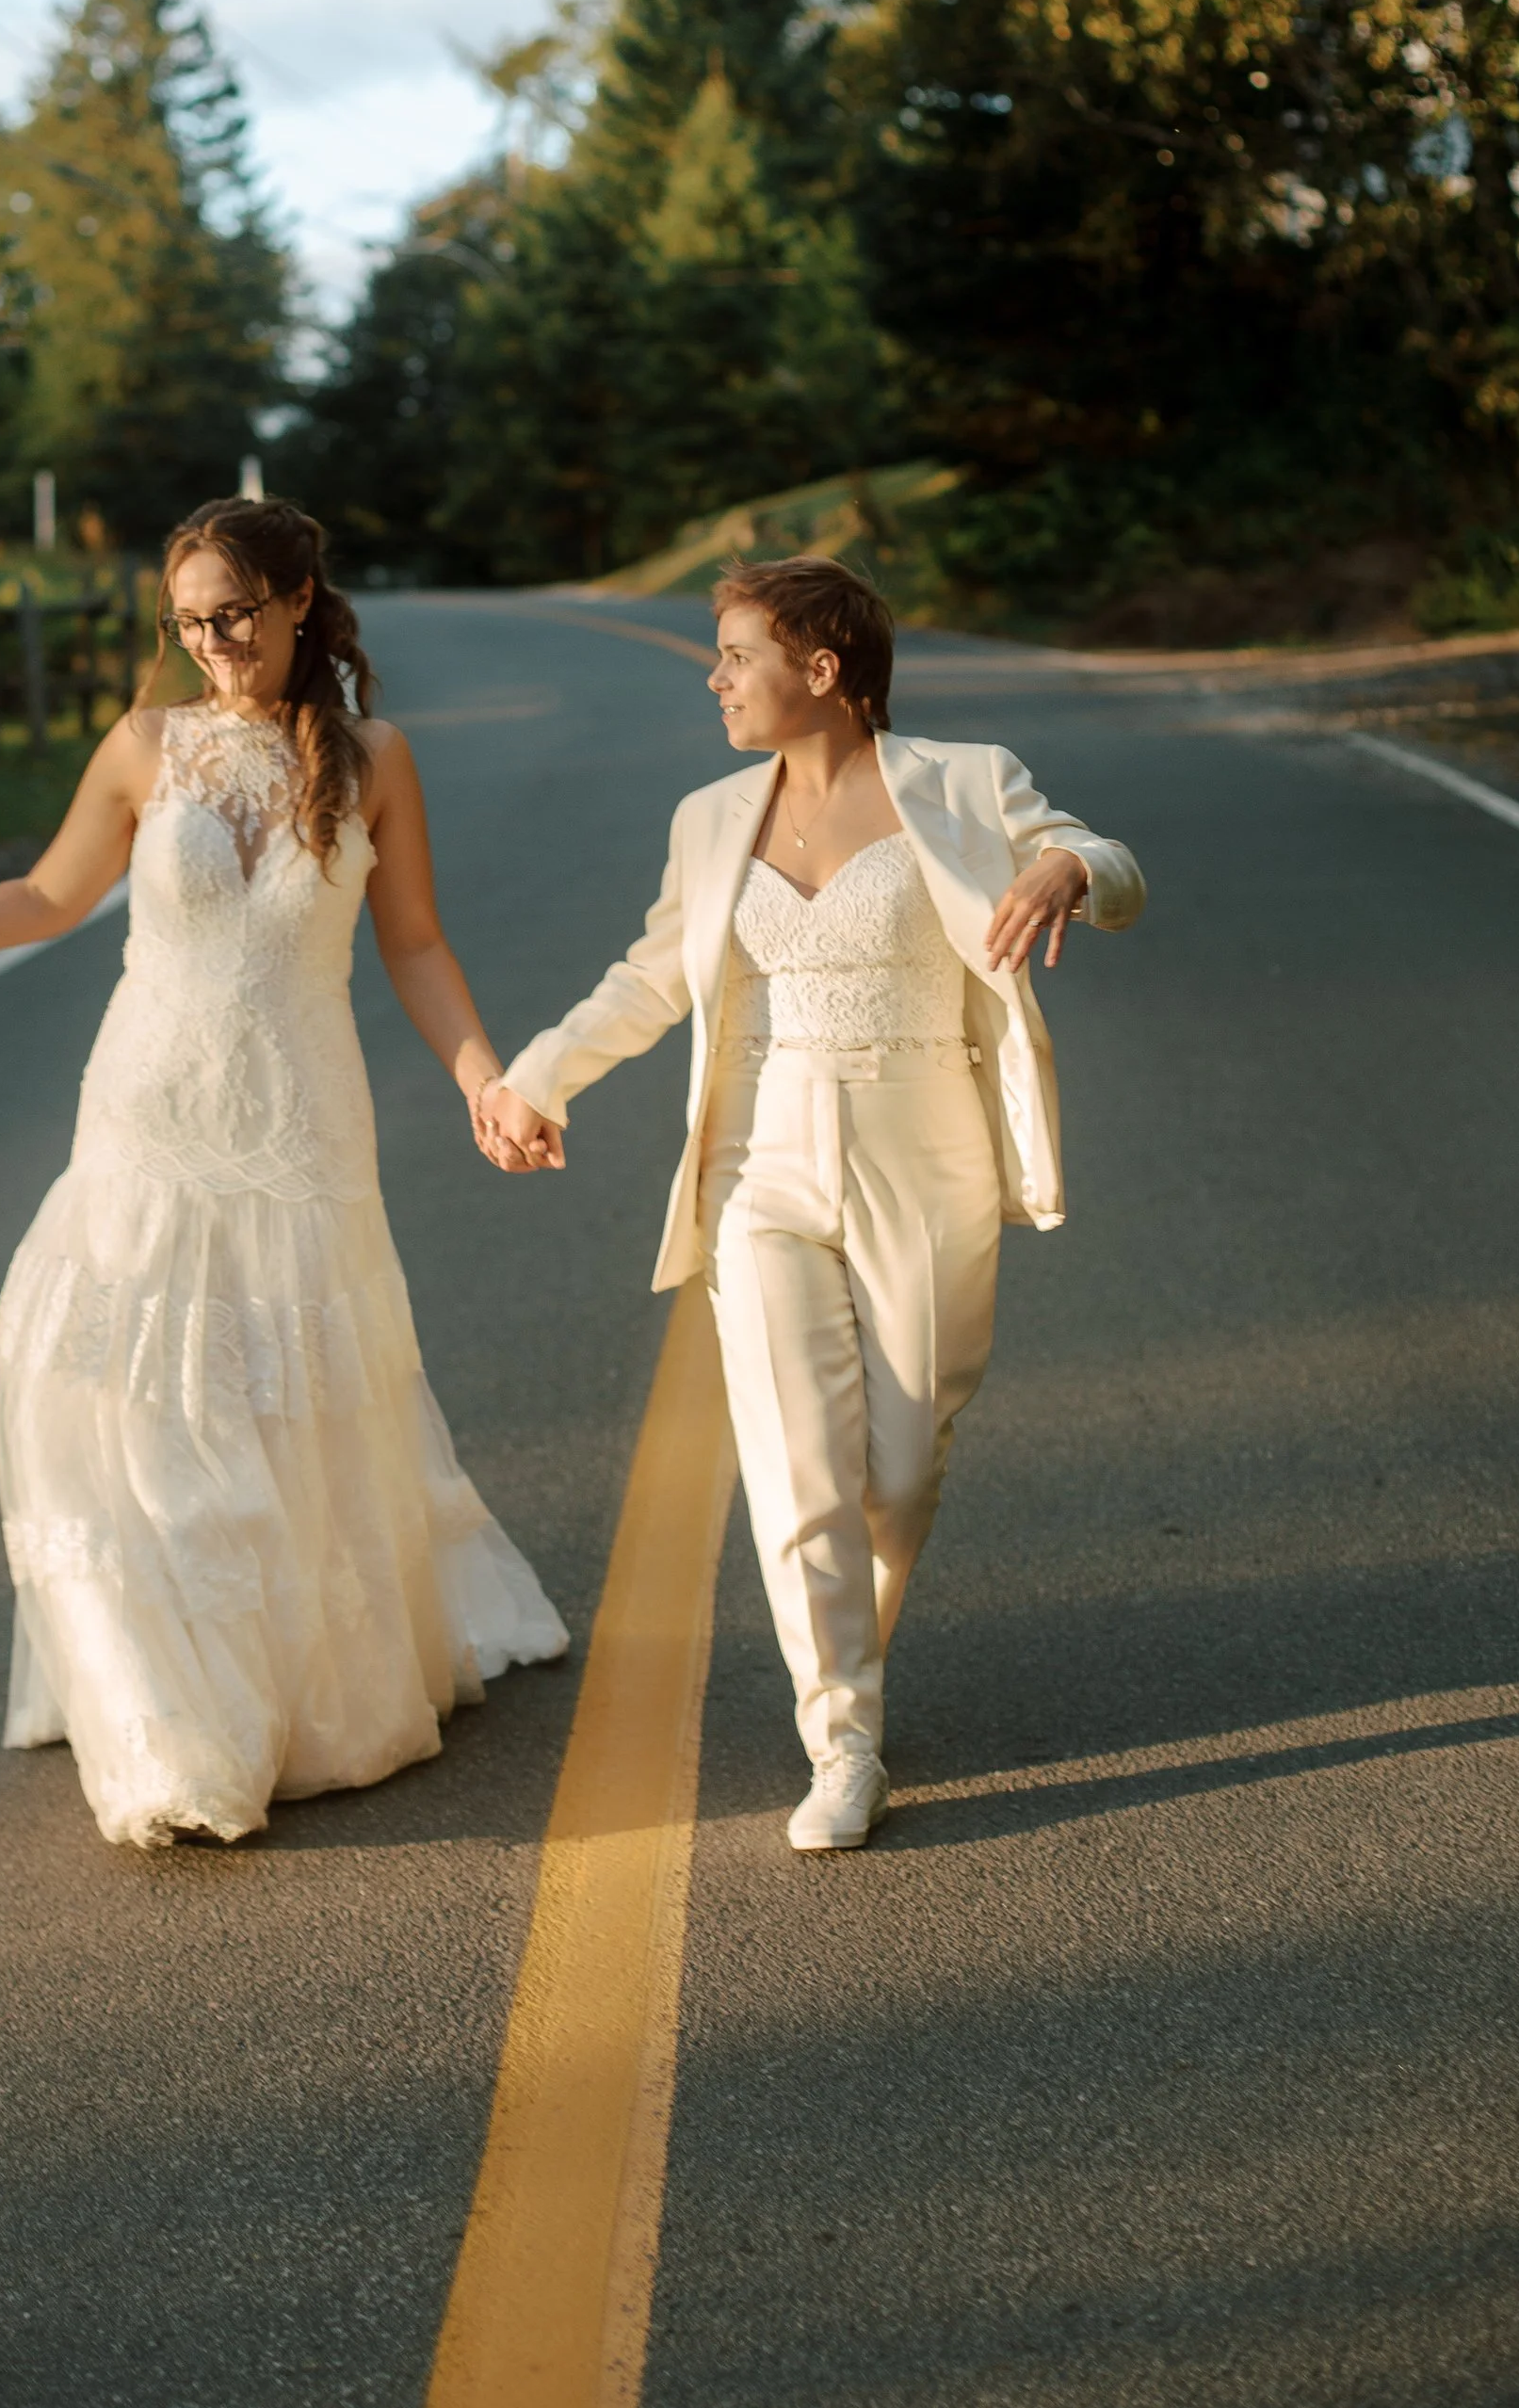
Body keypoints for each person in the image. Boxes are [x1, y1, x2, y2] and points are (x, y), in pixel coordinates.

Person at [0, 495, 566, 1850]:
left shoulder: (375, 757)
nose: (212, 644)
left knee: (281, 1412)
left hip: (303, 1128)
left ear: (301, 597)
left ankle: (284, 1694)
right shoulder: (146, 745)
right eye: (189, 622)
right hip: (145, 1117)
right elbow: (48, 897)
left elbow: (416, 944)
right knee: (127, 1405)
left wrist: (486, 1077)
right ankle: (169, 1718)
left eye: (235, 615)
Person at [477, 556, 1142, 1853]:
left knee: (898, 1463)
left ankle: (851, 1651)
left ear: (822, 670)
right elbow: (652, 974)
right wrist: (535, 1074)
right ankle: (843, 1738)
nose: (716, 678)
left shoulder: (962, 781)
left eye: (736, 653)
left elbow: (1107, 858)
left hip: (925, 1144)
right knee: (796, 1465)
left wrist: (1066, 869)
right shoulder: (711, 815)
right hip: (762, 1162)